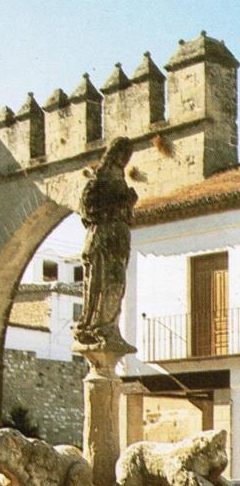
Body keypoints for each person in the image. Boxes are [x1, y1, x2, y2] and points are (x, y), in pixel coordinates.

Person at [72, 136, 138, 352]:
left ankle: (109, 326)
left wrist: (128, 205)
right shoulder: (100, 178)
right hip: (103, 239)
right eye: (123, 153)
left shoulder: (120, 179)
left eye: (128, 155)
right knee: (102, 283)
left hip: (118, 240)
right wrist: (121, 202)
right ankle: (97, 327)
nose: (125, 159)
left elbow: (127, 215)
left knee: (117, 283)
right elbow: (87, 209)